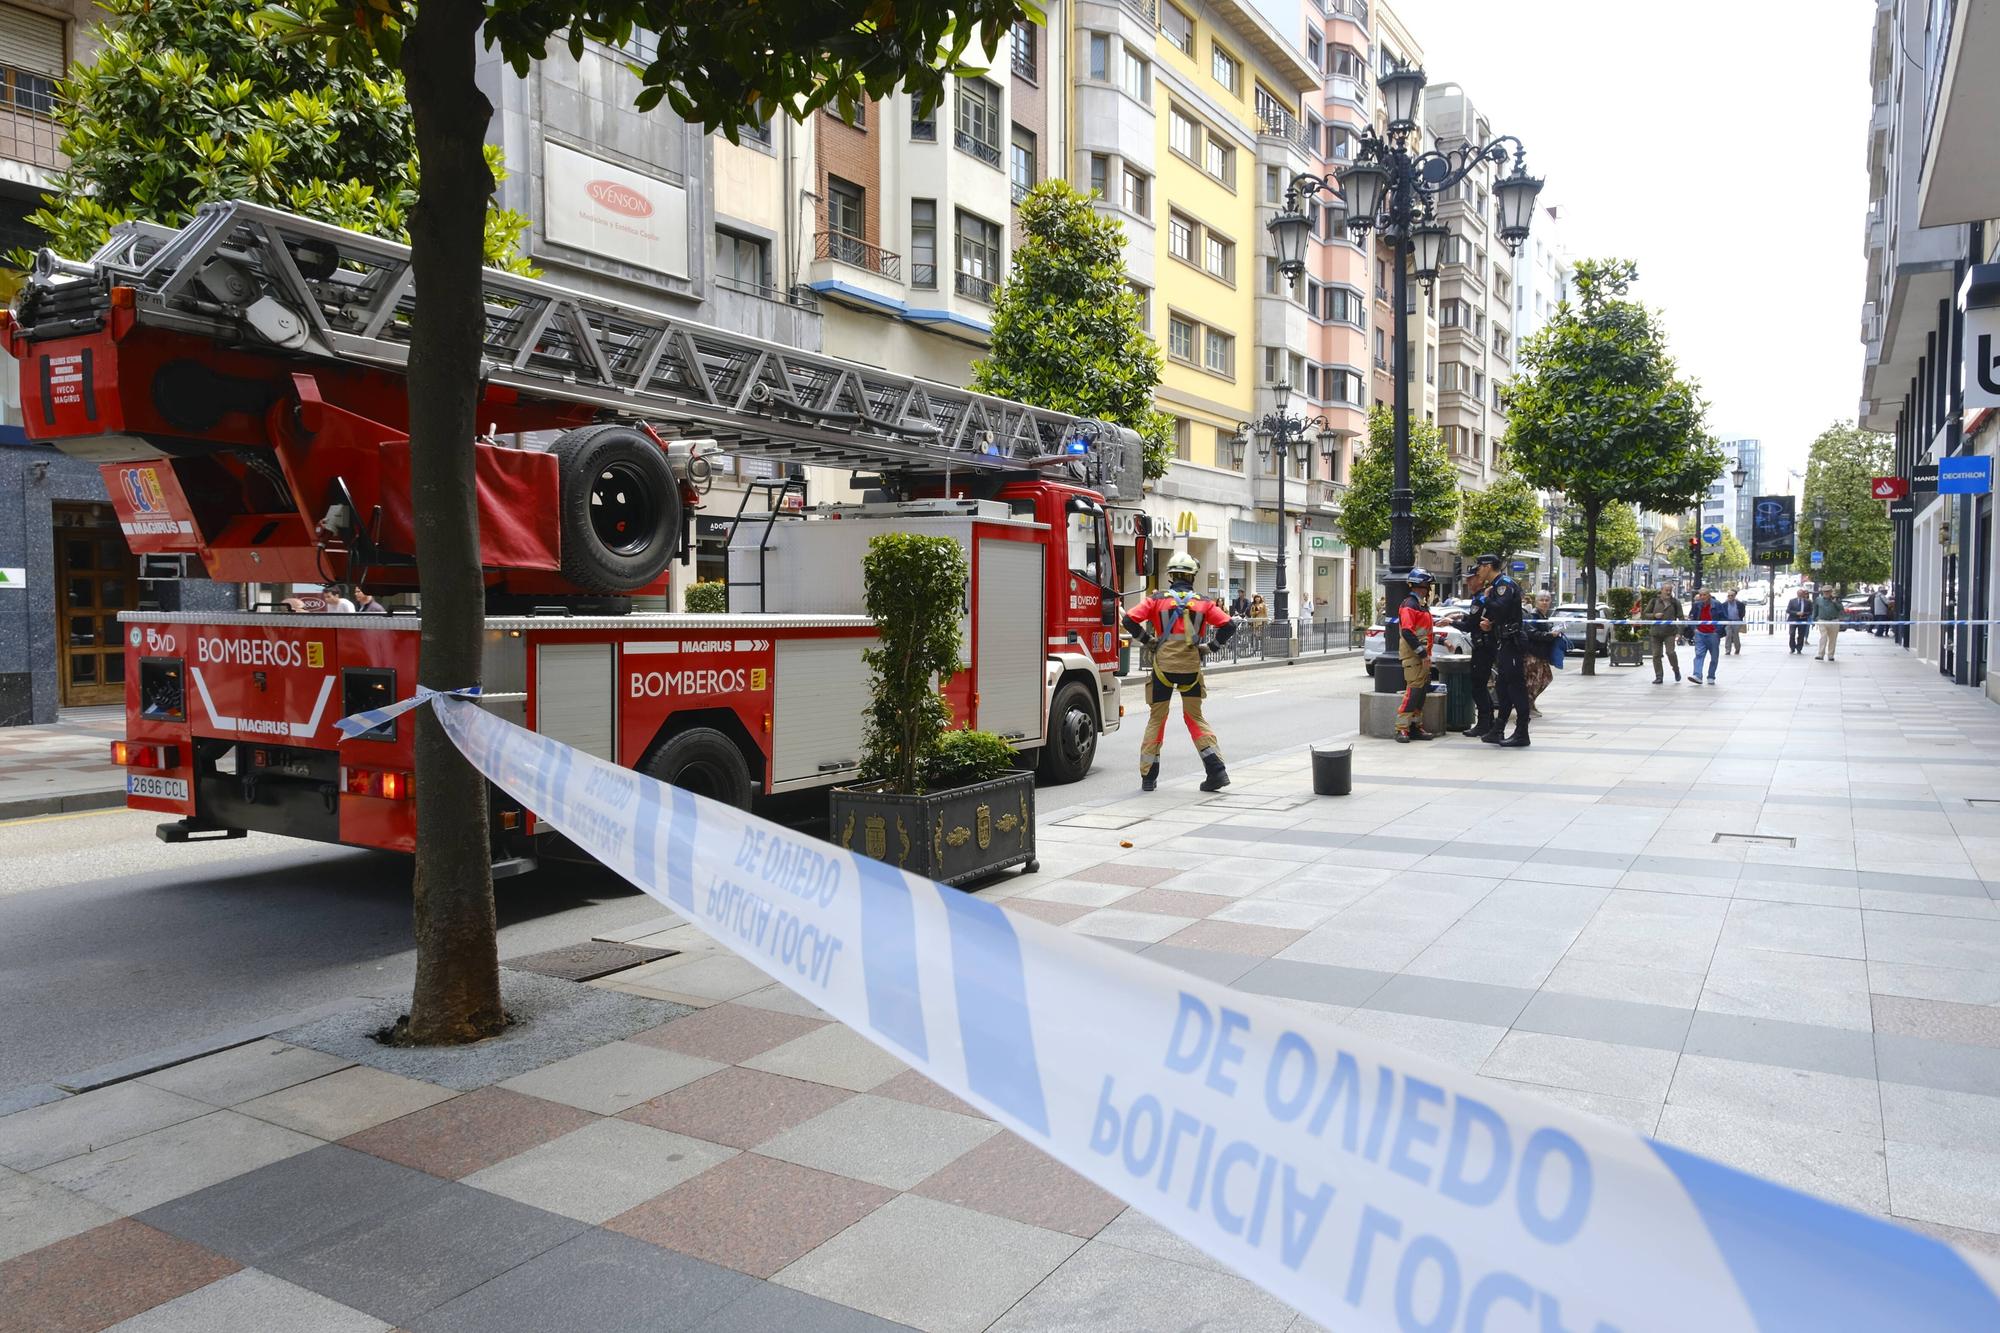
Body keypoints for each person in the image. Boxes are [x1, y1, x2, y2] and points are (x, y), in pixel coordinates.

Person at [1122, 551, 1237, 792]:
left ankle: (1148, 777)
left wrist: (1148, 640)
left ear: (1172, 576)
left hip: (1163, 668)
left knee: (1157, 718)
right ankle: (1217, 771)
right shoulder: (1203, 602)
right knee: (1194, 717)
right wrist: (1211, 647)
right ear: (1192, 576)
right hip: (1191, 669)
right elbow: (1229, 625)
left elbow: (1129, 620)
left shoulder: (1157, 599)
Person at [1475, 554, 1530, 747]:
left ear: (1489, 566)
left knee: (1516, 688)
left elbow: (1501, 608)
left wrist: (1486, 598)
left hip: (1512, 642)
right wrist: (1492, 625)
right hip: (1504, 641)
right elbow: (1502, 615)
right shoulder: (1498, 584)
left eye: (1480, 567)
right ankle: (1498, 729)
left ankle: (1522, 732)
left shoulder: (1503, 584)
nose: (1478, 571)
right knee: (1502, 688)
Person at [1393, 568, 1439, 743]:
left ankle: (1415, 726)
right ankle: (1401, 728)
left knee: (1421, 694)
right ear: (1422, 586)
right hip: (1414, 656)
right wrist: (1421, 653)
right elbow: (1407, 631)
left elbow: (1425, 632)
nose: (1429, 589)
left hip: (1423, 657)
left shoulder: (1421, 605)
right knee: (1413, 692)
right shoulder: (1409, 605)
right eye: (1428, 586)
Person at [1459, 563, 1499, 739]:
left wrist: (1450, 622)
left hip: (1483, 647)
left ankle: (1484, 723)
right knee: (1480, 685)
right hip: (1484, 645)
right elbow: (1473, 619)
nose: (1468, 582)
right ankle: (1487, 721)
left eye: (1471, 578)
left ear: (1479, 579)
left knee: (1478, 686)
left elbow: (1470, 625)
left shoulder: (1480, 599)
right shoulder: (1481, 597)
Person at [1522, 591, 1557, 715]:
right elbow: (1531, 633)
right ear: (1536, 602)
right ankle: (1527, 706)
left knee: (1545, 678)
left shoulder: (1544, 617)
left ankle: (1530, 704)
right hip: (1533, 653)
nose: (1544, 602)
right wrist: (1549, 635)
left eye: (1547, 600)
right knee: (1534, 681)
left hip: (1542, 654)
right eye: (1541, 600)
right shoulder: (1532, 616)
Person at [1646, 582, 1684, 684]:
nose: (1668, 592)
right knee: (1656, 655)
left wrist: (1680, 632)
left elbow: (1681, 618)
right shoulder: (1654, 601)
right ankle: (1659, 676)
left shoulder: (1675, 602)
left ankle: (1676, 670)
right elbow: (1645, 614)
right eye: (1666, 590)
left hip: (1670, 632)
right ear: (1661, 590)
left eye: (1670, 590)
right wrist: (1654, 615)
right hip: (1656, 632)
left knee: (1670, 652)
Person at [1689, 588, 1721, 685]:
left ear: (1709, 595)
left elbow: (1723, 618)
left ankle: (1711, 676)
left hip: (1713, 634)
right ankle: (1697, 675)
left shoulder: (1717, 604)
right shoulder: (1697, 605)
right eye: (1701, 595)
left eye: (1704, 595)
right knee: (1699, 655)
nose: (1702, 597)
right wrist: (1694, 629)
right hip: (1700, 633)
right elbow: (1691, 618)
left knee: (1714, 656)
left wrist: (1718, 631)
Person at [1813, 584, 1843, 661]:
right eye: (1825, 592)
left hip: (1834, 620)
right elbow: (1815, 610)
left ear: (1831, 592)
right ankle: (1820, 654)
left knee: (1833, 639)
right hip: (1822, 620)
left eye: (1828, 591)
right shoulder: (1818, 599)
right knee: (1823, 637)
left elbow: (1841, 608)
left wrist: (1835, 602)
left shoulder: (1836, 599)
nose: (1826, 593)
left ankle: (1830, 655)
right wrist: (1814, 619)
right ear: (1822, 592)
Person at [1784, 586, 1814, 655]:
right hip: (1793, 619)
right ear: (1797, 594)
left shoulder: (1808, 602)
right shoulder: (1792, 601)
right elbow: (1788, 610)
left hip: (1803, 620)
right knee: (1792, 634)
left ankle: (1799, 648)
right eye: (1799, 594)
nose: (1800, 595)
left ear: (1803, 594)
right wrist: (1796, 613)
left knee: (1801, 635)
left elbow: (1811, 611)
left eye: (1801, 594)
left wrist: (1804, 613)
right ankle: (1792, 648)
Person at [1721, 588, 1745, 655]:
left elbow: (1742, 613)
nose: (1730, 597)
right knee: (1728, 635)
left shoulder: (1740, 604)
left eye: (1732, 595)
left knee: (1735, 635)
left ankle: (1737, 649)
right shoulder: (1724, 604)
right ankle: (1727, 650)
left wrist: (1739, 619)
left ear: (1734, 596)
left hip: (1736, 621)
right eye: (1729, 596)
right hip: (1728, 622)